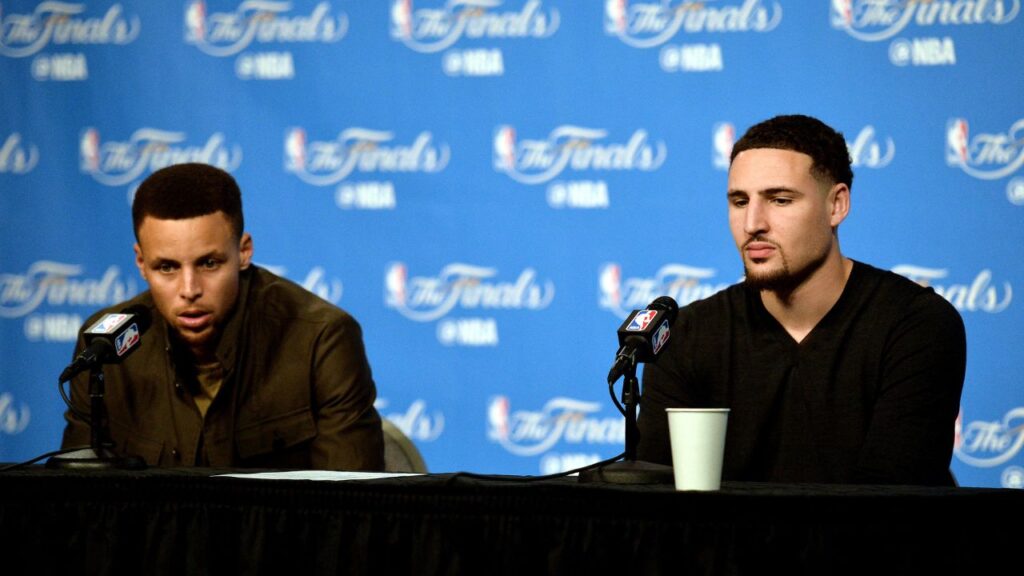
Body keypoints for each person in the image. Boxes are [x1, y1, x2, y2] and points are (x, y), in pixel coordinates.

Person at [637, 115, 966, 485]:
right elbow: (659, 506)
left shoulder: (914, 325)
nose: (752, 223)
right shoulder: (686, 335)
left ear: (836, 206)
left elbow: (891, 508)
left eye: (779, 199)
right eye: (739, 201)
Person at [60, 163, 385, 470]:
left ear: (243, 252)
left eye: (209, 263)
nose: (189, 290)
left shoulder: (322, 340)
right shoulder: (102, 349)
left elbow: (351, 511)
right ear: (141, 263)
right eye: (167, 267)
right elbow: (79, 509)